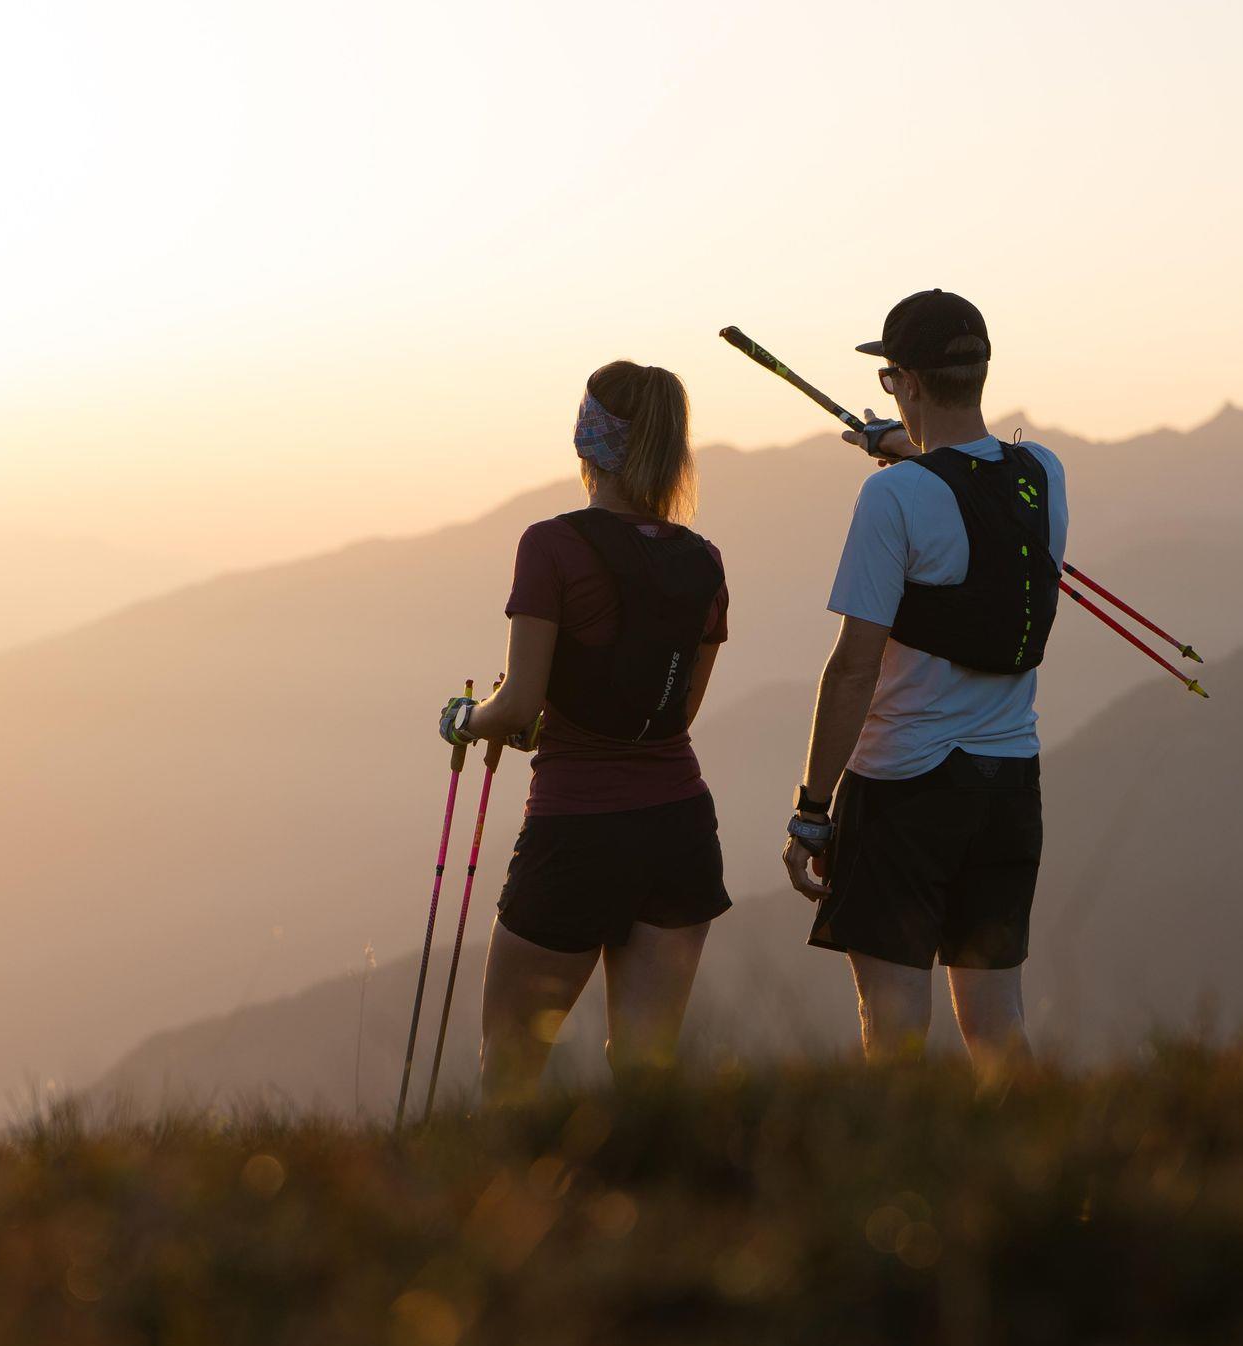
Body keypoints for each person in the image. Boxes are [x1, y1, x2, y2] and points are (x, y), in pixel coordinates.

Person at [782, 290, 1069, 1073]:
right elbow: (975, 485)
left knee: (895, 1032)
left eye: (891, 379)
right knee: (998, 1028)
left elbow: (853, 668)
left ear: (906, 382)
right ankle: (1031, 1150)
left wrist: (812, 812)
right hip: (1009, 787)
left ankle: (904, 1154)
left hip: (904, 790)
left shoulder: (893, 497)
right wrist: (906, 447)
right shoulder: (1043, 474)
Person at [439, 361, 731, 1102]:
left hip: (576, 831)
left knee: (510, 1070)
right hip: (680, 829)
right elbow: (673, 716)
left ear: (586, 442)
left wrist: (466, 720)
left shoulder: (552, 545)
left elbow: (518, 705)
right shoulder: (703, 562)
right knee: (645, 1075)